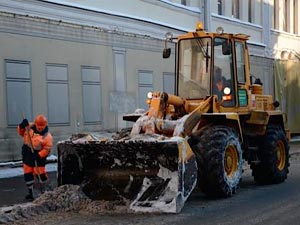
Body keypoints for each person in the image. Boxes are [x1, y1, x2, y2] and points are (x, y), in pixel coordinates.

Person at [17, 114, 53, 200]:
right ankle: (31, 192)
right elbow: (21, 133)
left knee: (40, 173)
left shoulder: (47, 136)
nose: (40, 128)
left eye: (42, 127)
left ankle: (46, 190)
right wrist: (21, 126)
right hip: (27, 154)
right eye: (38, 126)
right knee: (28, 174)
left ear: (45, 125)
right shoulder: (28, 127)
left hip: (38, 158)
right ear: (35, 124)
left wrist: (38, 155)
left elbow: (47, 149)